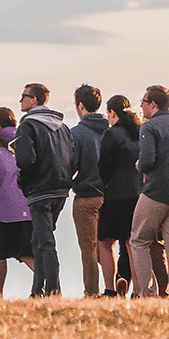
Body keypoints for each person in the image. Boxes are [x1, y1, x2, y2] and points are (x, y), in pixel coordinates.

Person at [128, 86, 169, 297]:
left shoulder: (150, 127)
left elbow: (147, 161)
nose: (141, 105)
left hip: (157, 192)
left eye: (143, 101)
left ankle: (148, 293)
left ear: (152, 104)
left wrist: (139, 164)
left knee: (138, 240)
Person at [13, 83, 76, 298]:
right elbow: (72, 156)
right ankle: (36, 289)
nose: (20, 100)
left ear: (35, 100)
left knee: (46, 241)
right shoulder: (62, 126)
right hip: (61, 189)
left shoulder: (27, 126)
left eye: (24, 96)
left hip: (39, 189)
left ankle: (53, 290)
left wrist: (24, 183)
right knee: (39, 239)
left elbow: (24, 160)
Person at [97, 94, 144, 297]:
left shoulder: (112, 134)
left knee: (105, 242)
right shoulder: (138, 133)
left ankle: (109, 288)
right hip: (137, 194)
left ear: (112, 113)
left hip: (116, 195)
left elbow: (104, 166)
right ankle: (139, 291)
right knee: (131, 243)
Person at [0, 108, 32, 297]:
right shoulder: (25, 142)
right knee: (28, 252)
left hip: (4, 206)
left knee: (0, 253)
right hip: (27, 204)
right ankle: (47, 284)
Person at [70, 85, 109, 296]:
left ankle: (92, 292)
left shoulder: (76, 133)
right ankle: (114, 282)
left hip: (86, 195)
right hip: (111, 196)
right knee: (108, 246)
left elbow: (70, 165)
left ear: (80, 106)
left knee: (89, 248)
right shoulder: (112, 130)